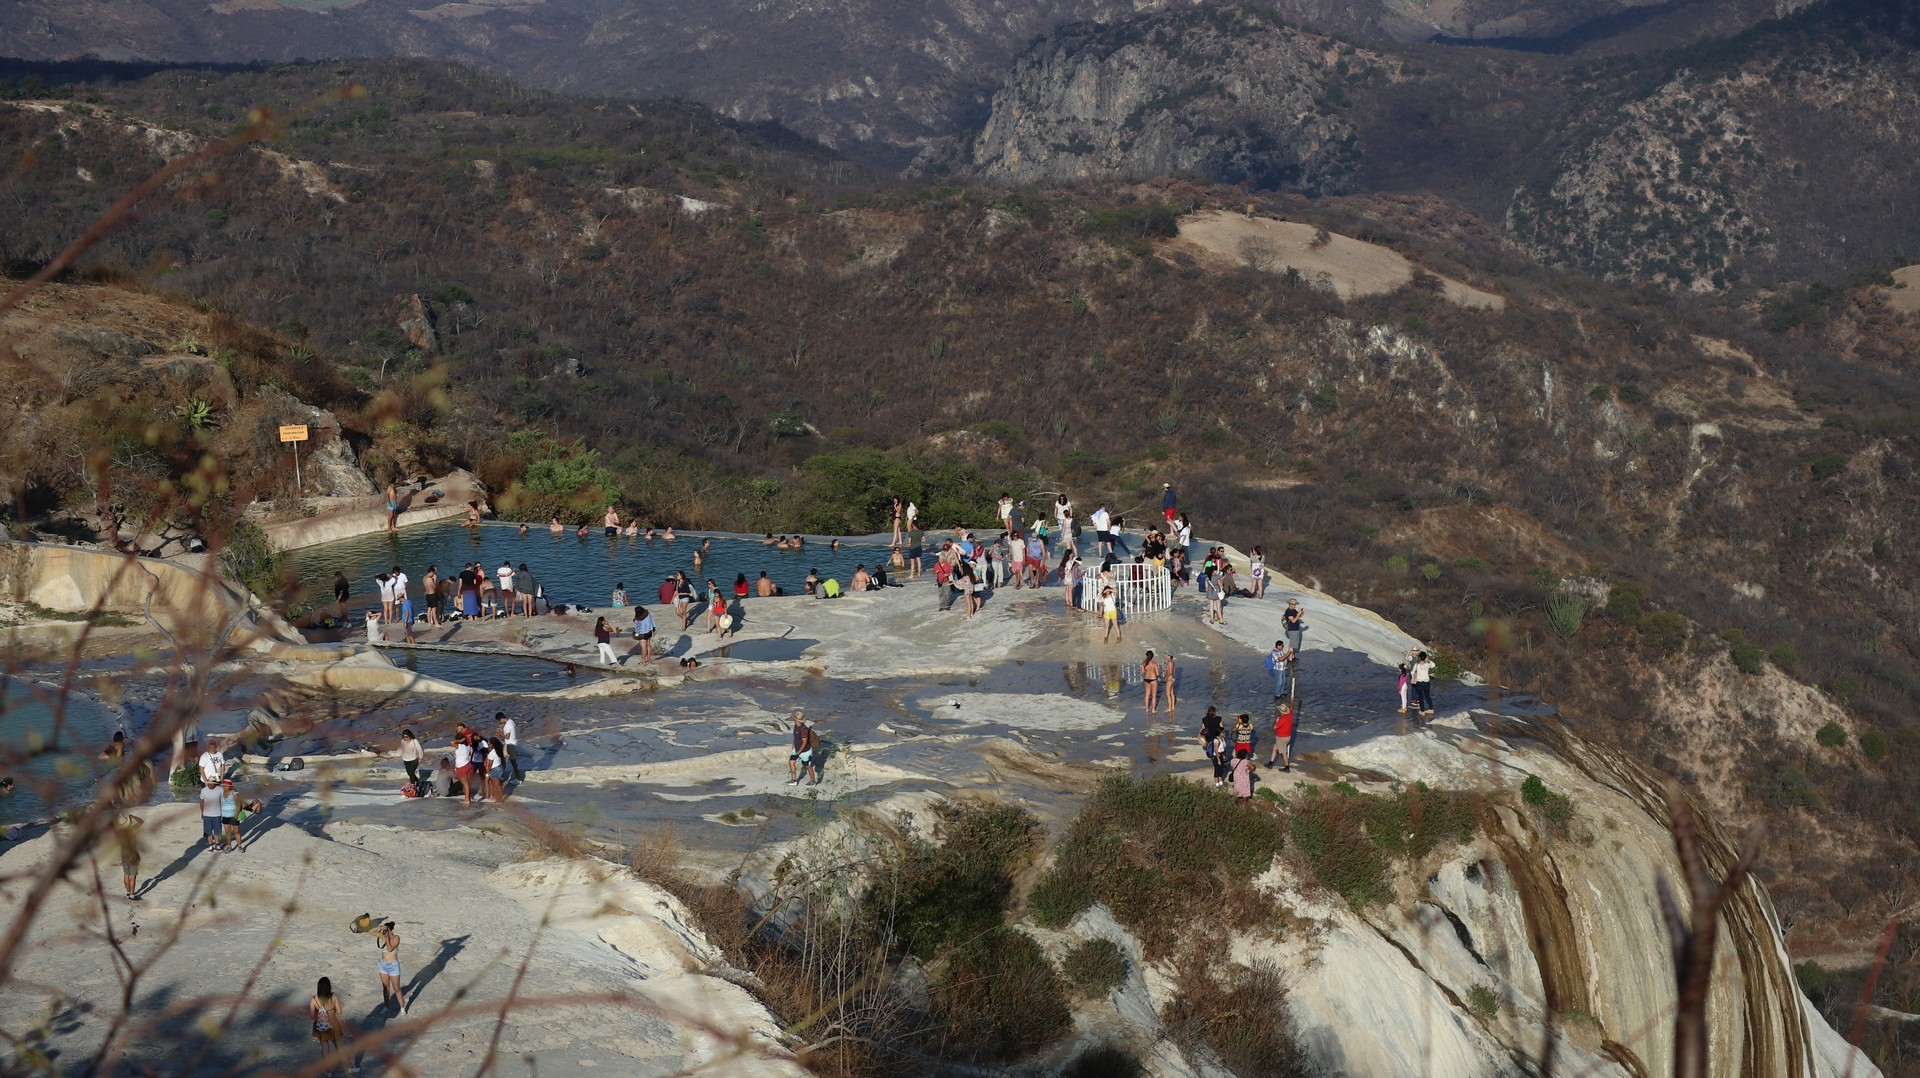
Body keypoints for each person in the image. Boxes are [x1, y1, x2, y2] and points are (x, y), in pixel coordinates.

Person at [310, 977, 346, 1071]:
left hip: (321, 1026)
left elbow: (312, 1016)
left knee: (325, 1048)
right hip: (333, 1024)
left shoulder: (314, 1000)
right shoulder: (333, 997)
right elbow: (339, 1011)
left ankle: (328, 1071)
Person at [374, 921, 409, 1015]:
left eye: (387, 930)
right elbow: (371, 931)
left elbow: (389, 949)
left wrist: (387, 937)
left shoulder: (396, 937)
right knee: (386, 988)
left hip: (393, 966)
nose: (385, 932)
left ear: (392, 930)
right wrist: (380, 927)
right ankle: (386, 1007)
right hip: (383, 965)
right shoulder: (383, 936)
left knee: (396, 988)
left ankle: (402, 1007)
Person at [112, 811, 143, 901]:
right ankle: (132, 895)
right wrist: (131, 816)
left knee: (126, 874)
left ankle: (129, 892)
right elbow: (141, 821)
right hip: (133, 855)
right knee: (132, 876)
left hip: (124, 854)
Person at [1200, 707, 1226, 787]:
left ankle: (1217, 775)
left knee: (1213, 755)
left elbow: (1202, 728)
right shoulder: (1218, 719)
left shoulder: (1205, 719)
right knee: (1218, 753)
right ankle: (1219, 777)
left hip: (1209, 739)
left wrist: (1199, 736)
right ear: (1215, 712)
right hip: (1217, 738)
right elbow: (1222, 727)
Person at [1269, 701, 1296, 771]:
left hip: (1281, 738)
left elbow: (1274, 727)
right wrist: (1292, 701)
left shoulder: (1281, 720)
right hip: (1287, 736)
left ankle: (1287, 767)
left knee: (1284, 753)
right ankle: (1270, 763)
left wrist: (1276, 720)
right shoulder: (1290, 715)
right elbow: (1292, 707)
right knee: (1275, 748)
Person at [785, 712, 809, 786]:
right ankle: (794, 780)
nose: (794, 720)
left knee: (807, 766)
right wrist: (793, 745)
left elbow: (805, 742)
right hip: (796, 748)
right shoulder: (795, 726)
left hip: (804, 750)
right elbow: (795, 737)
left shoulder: (804, 729)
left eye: (795, 719)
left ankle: (813, 780)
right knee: (791, 762)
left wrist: (799, 751)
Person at [199, 780, 223, 852]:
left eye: (213, 784)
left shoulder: (220, 789)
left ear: (215, 784)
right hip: (207, 814)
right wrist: (202, 812)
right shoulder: (203, 790)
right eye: (210, 784)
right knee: (208, 831)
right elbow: (201, 801)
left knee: (217, 830)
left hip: (217, 813)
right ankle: (210, 845)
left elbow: (222, 801)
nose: (211, 785)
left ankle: (217, 844)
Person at [1411, 650, 1436, 718]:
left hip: (1419, 682)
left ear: (1419, 658)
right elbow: (1433, 665)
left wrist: (1414, 676)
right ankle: (1431, 709)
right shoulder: (1427, 665)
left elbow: (1412, 672)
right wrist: (1429, 660)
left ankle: (1422, 711)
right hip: (1427, 682)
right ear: (1425, 658)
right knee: (1427, 696)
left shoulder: (1416, 665)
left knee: (1421, 697)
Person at [453, 732, 476, 807]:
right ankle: (469, 798)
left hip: (461, 766)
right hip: (468, 764)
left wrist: (460, 741)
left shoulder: (459, 746)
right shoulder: (468, 746)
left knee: (465, 784)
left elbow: (452, 742)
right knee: (468, 783)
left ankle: (467, 799)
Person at [219, 779, 241, 852]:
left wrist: (236, 814)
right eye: (223, 786)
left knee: (236, 831)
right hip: (225, 815)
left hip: (233, 815)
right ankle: (229, 846)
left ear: (230, 786)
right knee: (227, 832)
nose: (224, 787)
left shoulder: (234, 793)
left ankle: (239, 846)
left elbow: (238, 805)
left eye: (226, 786)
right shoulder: (222, 793)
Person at [1142, 649, 1161, 714]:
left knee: (1147, 695)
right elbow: (1157, 673)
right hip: (1153, 679)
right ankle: (1153, 709)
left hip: (1146, 679)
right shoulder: (1154, 664)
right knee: (1154, 695)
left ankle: (1147, 709)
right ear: (1152, 656)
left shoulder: (1144, 663)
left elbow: (1143, 672)